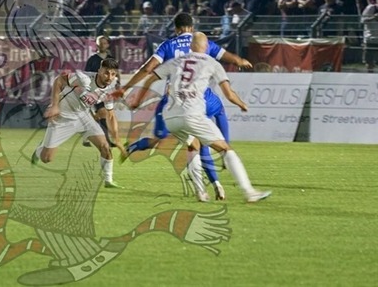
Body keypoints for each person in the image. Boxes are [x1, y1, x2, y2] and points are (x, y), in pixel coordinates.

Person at [117, 12, 253, 201]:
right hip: (200, 99)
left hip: (172, 103)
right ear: (192, 27)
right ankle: (234, 181)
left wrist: (126, 89)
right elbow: (228, 57)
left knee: (186, 143)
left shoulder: (168, 46)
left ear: (176, 29)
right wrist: (241, 62)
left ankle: (203, 189)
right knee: (216, 125)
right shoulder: (204, 43)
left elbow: (148, 70)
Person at [140, 32, 271, 203]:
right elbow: (229, 94)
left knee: (193, 145)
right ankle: (249, 192)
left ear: (191, 46)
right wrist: (242, 104)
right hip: (192, 114)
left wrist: (136, 99)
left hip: (170, 117)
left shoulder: (176, 61)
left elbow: (149, 79)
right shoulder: (211, 62)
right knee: (225, 149)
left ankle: (201, 192)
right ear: (206, 46)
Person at [30, 58, 126, 188]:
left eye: (113, 74)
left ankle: (108, 180)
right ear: (99, 70)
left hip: (83, 117)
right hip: (62, 117)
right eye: (106, 73)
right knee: (46, 158)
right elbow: (59, 80)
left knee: (105, 146)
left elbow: (111, 115)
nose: (109, 77)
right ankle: (39, 150)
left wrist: (117, 139)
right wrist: (55, 106)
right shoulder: (84, 78)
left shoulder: (110, 89)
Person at [83, 36, 115, 148]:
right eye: (100, 43)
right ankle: (104, 140)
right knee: (101, 113)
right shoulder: (92, 59)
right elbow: (86, 75)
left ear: (108, 45)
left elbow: (115, 73)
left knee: (101, 115)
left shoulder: (111, 59)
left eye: (104, 43)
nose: (102, 45)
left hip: (106, 90)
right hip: (94, 91)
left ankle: (90, 136)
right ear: (96, 45)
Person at [361, 0, 378, 72]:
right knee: (369, 61)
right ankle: (369, 76)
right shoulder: (371, 8)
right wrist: (373, 18)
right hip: (370, 39)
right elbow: (362, 20)